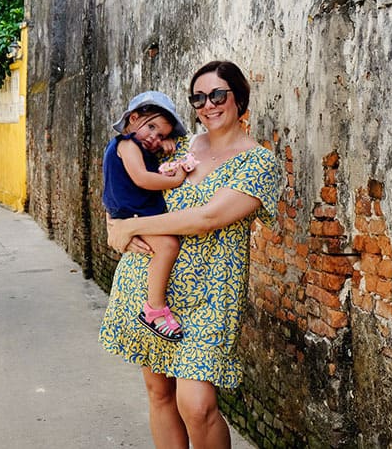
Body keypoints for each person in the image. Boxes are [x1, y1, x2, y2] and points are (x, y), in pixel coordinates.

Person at [99, 61, 281, 449]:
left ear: (239, 97)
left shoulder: (258, 162)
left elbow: (207, 218)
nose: (207, 105)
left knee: (196, 405)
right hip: (151, 287)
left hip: (212, 293)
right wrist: (114, 225)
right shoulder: (177, 146)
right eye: (198, 98)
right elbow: (124, 181)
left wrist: (131, 228)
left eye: (217, 94)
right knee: (159, 392)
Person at [102, 91, 194, 342]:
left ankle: (155, 304)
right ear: (133, 119)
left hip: (134, 211)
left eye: (162, 134)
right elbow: (141, 178)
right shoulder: (127, 145)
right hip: (132, 212)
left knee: (165, 245)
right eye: (151, 127)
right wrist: (174, 180)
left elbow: (151, 160)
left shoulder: (141, 147)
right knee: (168, 245)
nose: (155, 137)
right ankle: (154, 308)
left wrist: (163, 147)